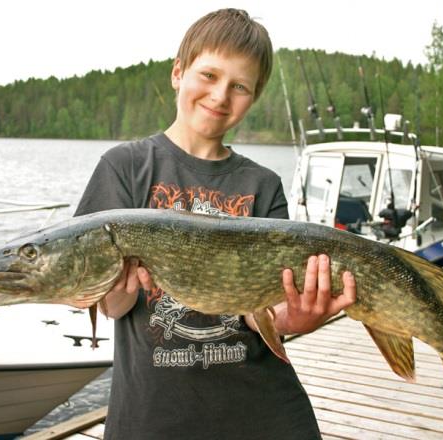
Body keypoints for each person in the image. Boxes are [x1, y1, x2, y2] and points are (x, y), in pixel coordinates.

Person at [75, 8, 356, 440]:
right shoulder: (125, 168)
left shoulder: (262, 184)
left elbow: (265, 313)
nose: (220, 95)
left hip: (266, 419)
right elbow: (113, 307)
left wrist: (295, 319)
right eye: (208, 75)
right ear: (178, 73)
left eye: (239, 86)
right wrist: (112, 293)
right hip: (155, 419)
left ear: (253, 97)